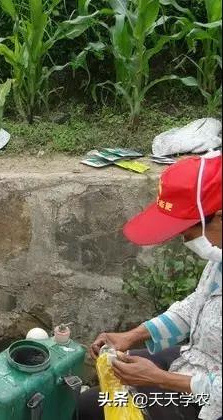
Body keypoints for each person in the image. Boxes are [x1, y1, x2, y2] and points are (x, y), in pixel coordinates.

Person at [78, 152, 222, 420]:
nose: (185, 240)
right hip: (197, 363)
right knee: (104, 388)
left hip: (211, 397)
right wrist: (131, 336)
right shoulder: (219, 258)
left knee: (101, 407)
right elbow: (196, 306)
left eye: (188, 233)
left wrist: (162, 379)